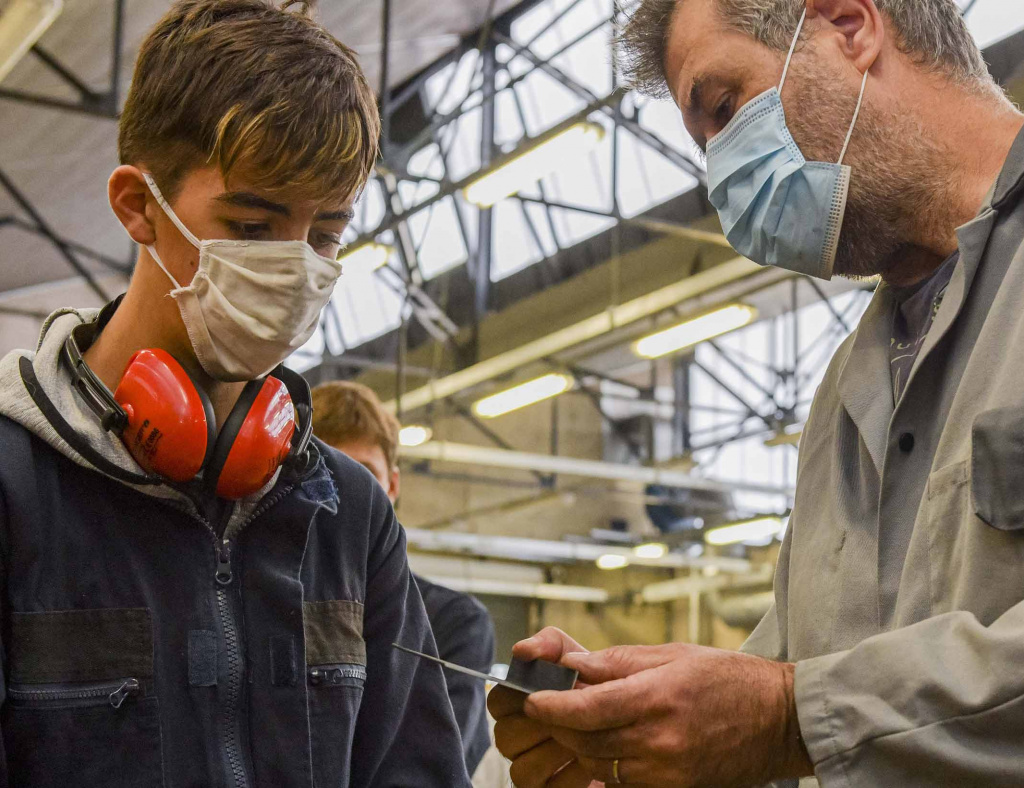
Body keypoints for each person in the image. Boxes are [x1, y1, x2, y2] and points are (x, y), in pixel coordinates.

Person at [488, 0, 1024, 786]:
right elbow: (795, 699)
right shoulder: (846, 393)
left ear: (850, 27)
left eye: (726, 107)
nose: (720, 181)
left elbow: (801, 710)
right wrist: (644, 735)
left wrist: (788, 716)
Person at [0, 1, 470, 786]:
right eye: (252, 225)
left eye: (324, 234)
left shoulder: (350, 517)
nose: (294, 269)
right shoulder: (14, 490)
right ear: (138, 205)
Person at [309, 380, 509, 787]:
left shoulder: (456, 624)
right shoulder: (265, 606)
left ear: (393, 485)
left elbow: (441, 764)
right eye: (327, 473)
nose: (346, 497)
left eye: (363, 476)